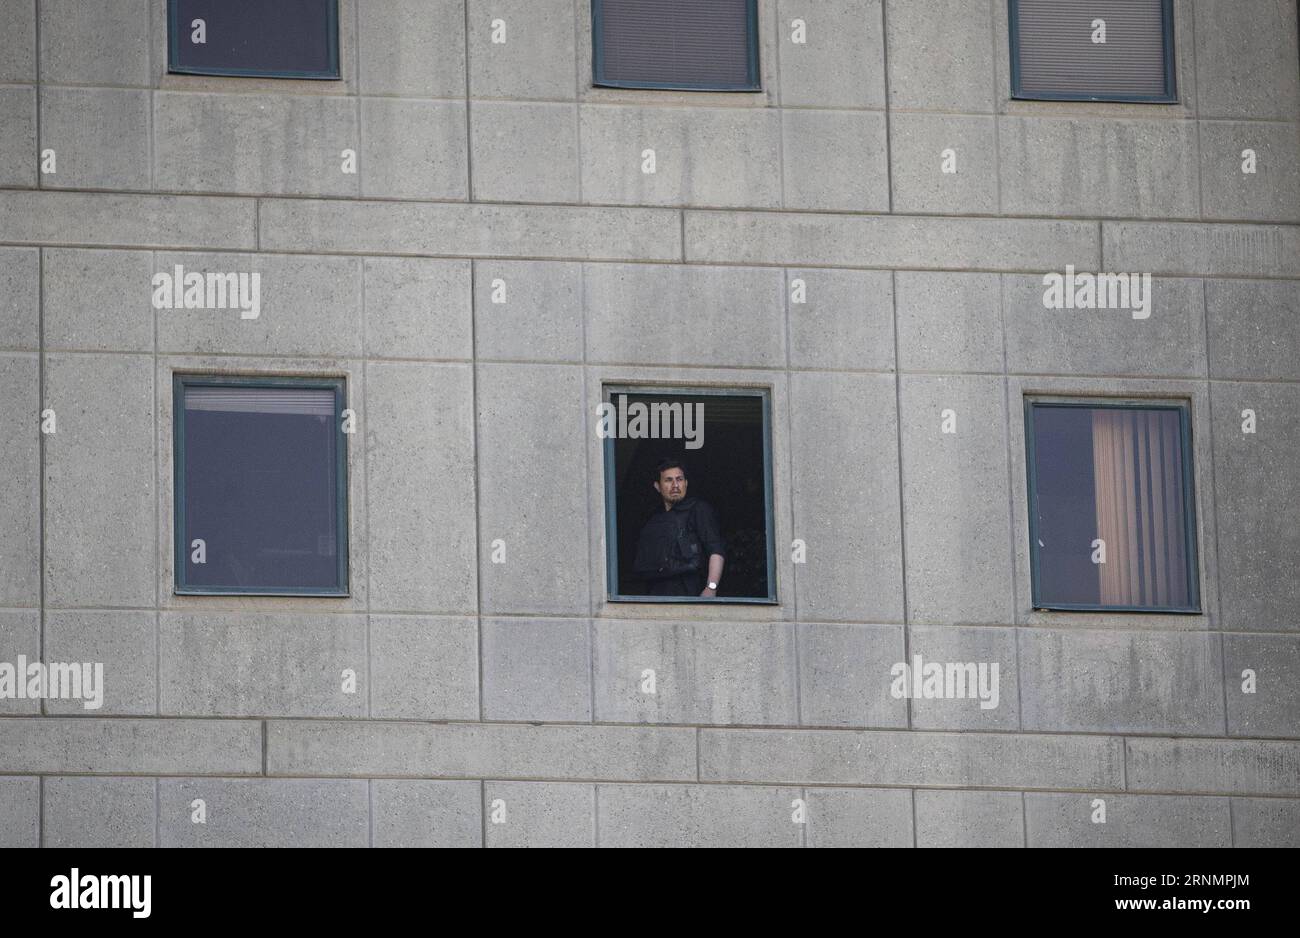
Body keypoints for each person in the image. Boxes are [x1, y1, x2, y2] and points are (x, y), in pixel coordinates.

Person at [631, 458, 726, 597]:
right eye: (668, 480)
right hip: (655, 597)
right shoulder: (652, 519)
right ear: (657, 486)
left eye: (679, 479)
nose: (675, 485)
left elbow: (716, 549)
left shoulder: (698, 509)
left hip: (690, 594)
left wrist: (711, 588)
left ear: (686, 483)